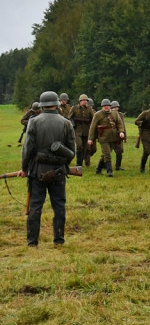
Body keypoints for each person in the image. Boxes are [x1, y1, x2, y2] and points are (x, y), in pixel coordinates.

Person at [19, 91, 77, 246]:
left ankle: (32, 242)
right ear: (57, 103)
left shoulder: (34, 121)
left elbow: (27, 149)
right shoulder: (66, 123)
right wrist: (62, 163)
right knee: (59, 206)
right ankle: (59, 240)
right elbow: (72, 150)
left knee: (35, 206)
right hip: (58, 171)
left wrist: (24, 168)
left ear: (42, 105)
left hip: (38, 170)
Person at [87, 99, 124, 177]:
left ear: (110, 106)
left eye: (107, 106)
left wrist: (121, 132)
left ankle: (98, 169)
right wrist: (90, 138)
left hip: (113, 137)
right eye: (104, 106)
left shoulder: (115, 113)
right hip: (103, 138)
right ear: (102, 107)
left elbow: (120, 123)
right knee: (107, 154)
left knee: (105, 154)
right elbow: (92, 127)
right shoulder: (98, 115)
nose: (106, 107)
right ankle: (109, 171)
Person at [135, 99, 150, 173]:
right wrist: (142, 123)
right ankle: (142, 167)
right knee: (146, 151)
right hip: (145, 134)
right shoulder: (145, 113)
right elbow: (136, 121)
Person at [70, 94, 95, 167]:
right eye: (83, 100)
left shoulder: (89, 109)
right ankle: (79, 164)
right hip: (77, 131)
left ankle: (87, 163)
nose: (85, 102)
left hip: (87, 131)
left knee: (87, 148)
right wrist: (72, 125)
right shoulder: (74, 108)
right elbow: (69, 118)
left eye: (86, 100)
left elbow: (94, 119)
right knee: (79, 146)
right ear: (80, 101)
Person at [109, 101, 127, 170]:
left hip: (119, 135)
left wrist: (124, 136)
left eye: (116, 107)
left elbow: (123, 126)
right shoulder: (108, 114)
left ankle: (118, 166)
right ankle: (104, 164)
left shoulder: (120, 115)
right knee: (107, 152)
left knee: (119, 150)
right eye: (114, 107)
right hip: (110, 135)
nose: (116, 109)